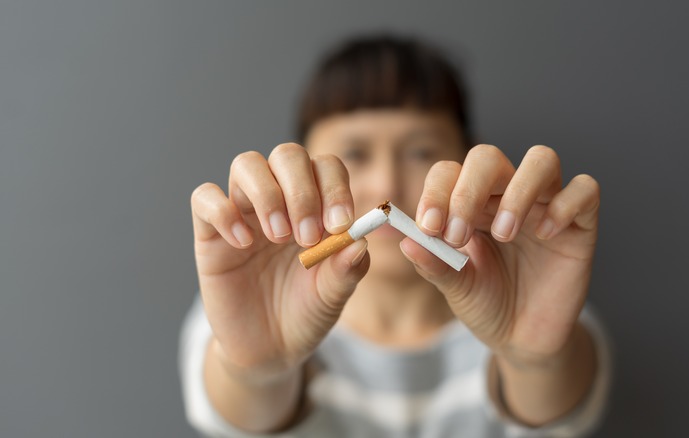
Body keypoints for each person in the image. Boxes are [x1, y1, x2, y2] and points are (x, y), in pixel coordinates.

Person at [180, 34, 612, 437]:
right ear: (304, 167)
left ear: (467, 157)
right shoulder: (244, 307)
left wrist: (534, 362)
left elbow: (557, 414)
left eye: (420, 151)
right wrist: (257, 372)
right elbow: (240, 416)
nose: (386, 183)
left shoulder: (540, 299)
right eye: (354, 153)